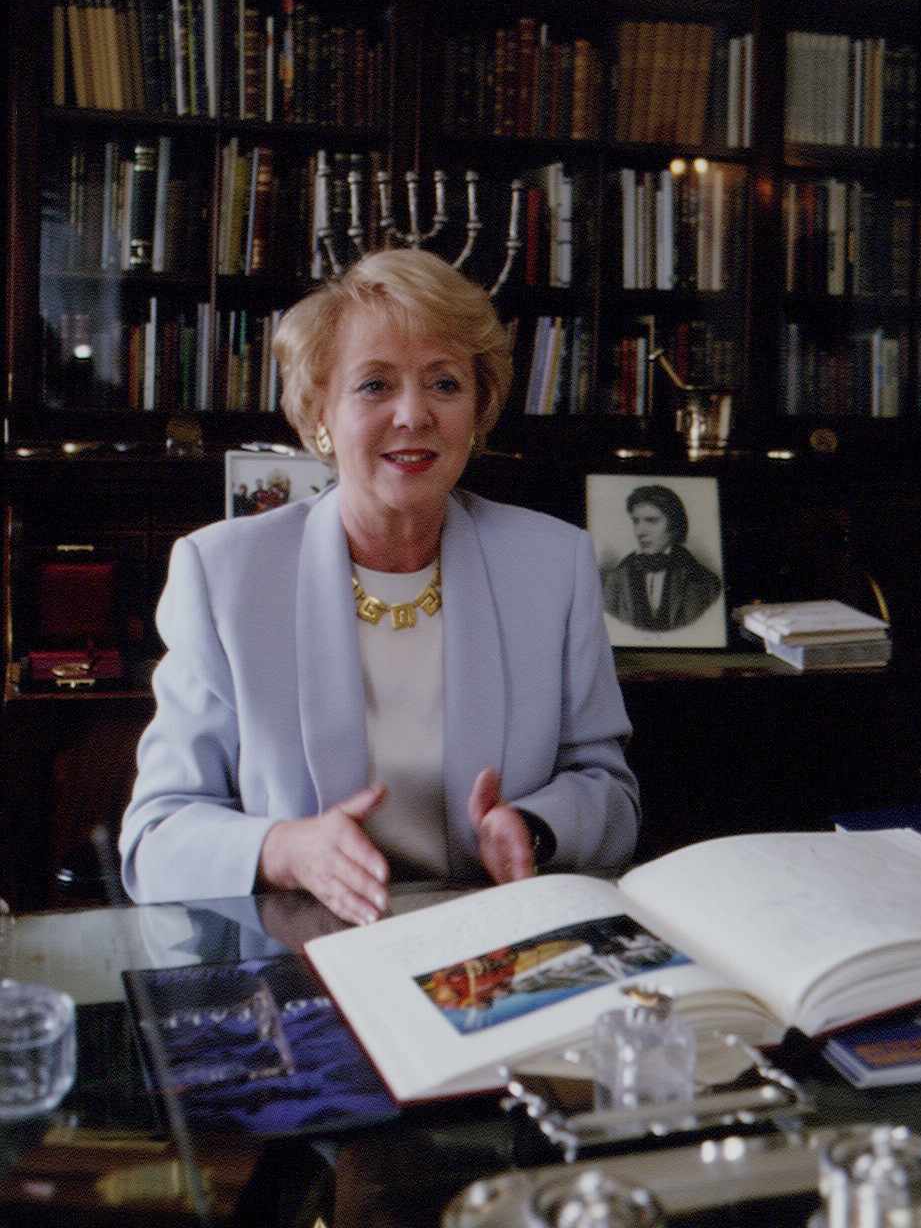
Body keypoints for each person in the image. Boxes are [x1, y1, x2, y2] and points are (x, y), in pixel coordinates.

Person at [120, 248, 639, 925]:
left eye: (444, 384)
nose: (414, 415)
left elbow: (611, 793)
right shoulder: (224, 576)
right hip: (307, 949)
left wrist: (535, 831)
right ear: (320, 414)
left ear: (478, 408)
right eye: (375, 385)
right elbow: (154, 839)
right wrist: (286, 849)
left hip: (492, 937)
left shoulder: (553, 564)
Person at [601, 483, 721, 632]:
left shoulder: (703, 581)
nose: (640, 532)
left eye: (652, 521)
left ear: (674, 524)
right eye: (636, 521)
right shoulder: (617, 579)